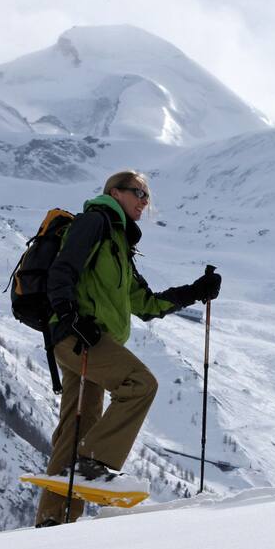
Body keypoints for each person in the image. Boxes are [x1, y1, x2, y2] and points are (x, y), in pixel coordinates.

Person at [34, 170, 221, 527]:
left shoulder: (118, 244)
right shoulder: (94, 223)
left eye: (147, 197)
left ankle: (52, 522)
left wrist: (196, 291)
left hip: (84, 339)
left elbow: (147, 303)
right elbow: (63, 271)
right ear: (115, 193)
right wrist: (71, 317)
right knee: (140, 383)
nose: (144, 202)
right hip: (80, 336)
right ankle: (92, 463)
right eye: (138, 193)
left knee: (77, 429)